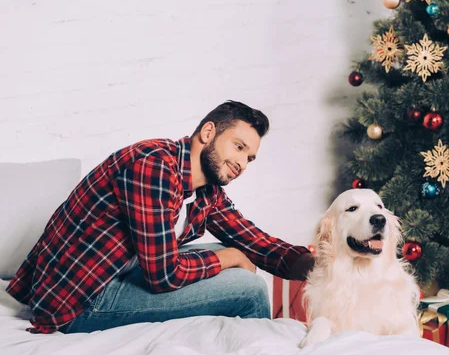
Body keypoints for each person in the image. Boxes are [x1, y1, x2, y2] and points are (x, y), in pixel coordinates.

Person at [7, 100, 315, 334]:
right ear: (208, 133)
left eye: (249, 158)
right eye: (238, 147)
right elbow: (163, 275)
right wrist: (231, 258)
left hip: (118, 271)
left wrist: (322, 265)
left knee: (234, 252)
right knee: (251, 290)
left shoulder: (205, 189)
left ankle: (222, 348)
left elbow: (255, 242)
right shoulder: (154, 166)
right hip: (80, 300)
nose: (242, 164)